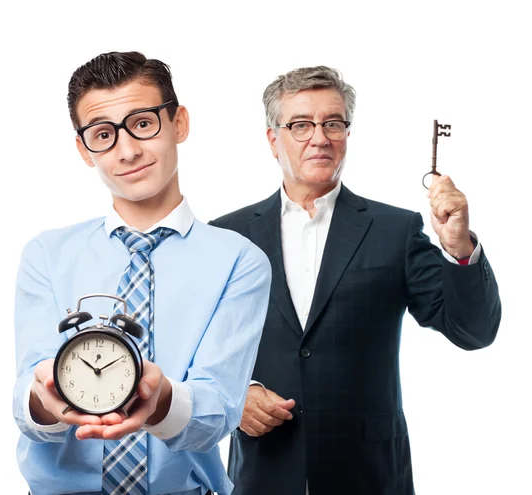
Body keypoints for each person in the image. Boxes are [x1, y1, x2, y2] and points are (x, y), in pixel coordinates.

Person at [210, 66, 501, 494]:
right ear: (274, 140)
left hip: (370, 475)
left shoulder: (394, 230)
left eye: (333, 123)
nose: (320, 137)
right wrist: (237, 395)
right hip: (264, 471)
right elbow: (198, 347)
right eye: (301, 125)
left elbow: (472, 330)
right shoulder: (229, 236)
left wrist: (459, 248)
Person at [12, 51, 271, 495]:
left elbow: (217, 413)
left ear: (179, 123)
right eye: (103, 134)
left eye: (143, 124)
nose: (128, 150)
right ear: (83, 148)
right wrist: (46, 401)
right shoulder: (46, 255)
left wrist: (160, 400)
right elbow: (28, 398)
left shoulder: (240, 261)